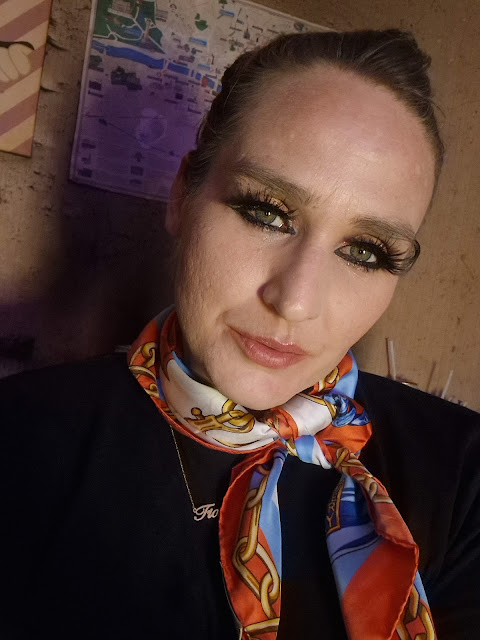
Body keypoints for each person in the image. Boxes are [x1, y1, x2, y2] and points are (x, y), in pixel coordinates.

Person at [1, 29, 479, 640]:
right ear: (182, 196)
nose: (295, 301)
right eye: (266, 212)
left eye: (365, 251)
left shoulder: (463, 473)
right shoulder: (19, 444)